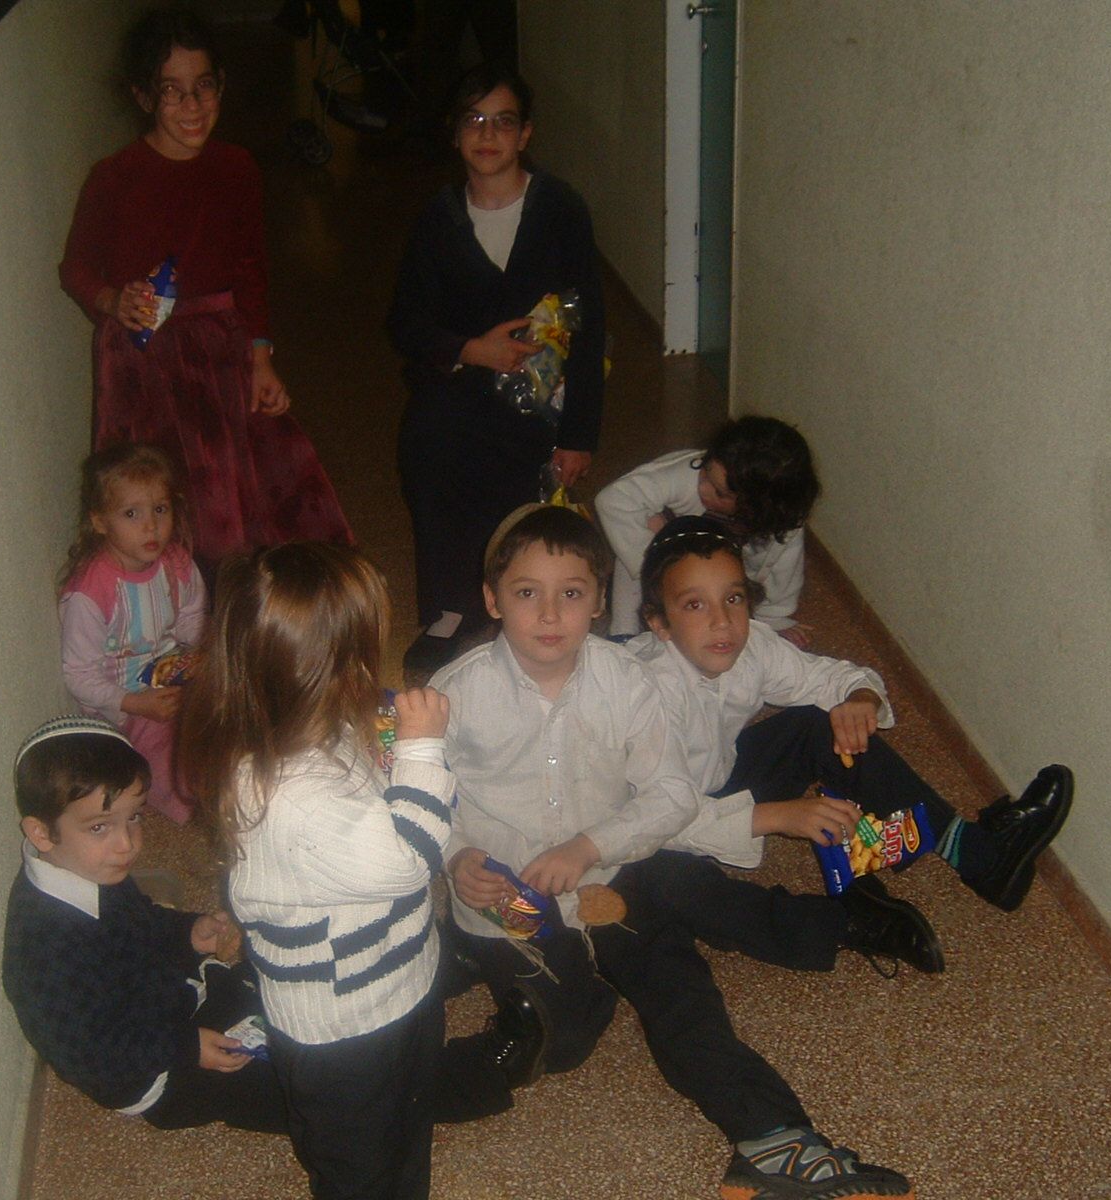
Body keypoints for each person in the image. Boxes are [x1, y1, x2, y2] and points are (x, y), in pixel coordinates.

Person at [431, 505, 916, 1199]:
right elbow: (417, 796)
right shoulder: (456, 693)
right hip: (506, 900)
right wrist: (455, 858)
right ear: (492, 599)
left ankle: (773, 1139)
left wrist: (590, 844)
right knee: (562, 1039)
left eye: (572, 593)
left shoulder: (627, 680)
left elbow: (669, 795)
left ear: (600, 600)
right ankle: (399, 1077)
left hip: (613, 873)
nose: (550, 614)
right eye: (527, 592)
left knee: (682, 992)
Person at [178, 542, 546, 1199]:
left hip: (396, 983)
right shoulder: (292, 795)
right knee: (359, 1166)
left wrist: (387, 751)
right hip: (344, 1029)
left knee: (407, 1125)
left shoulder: (309, 732)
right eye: (362, 652)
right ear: (329, 671)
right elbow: (410, 857)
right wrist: (422, 749)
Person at [634, 514, 1074, 915]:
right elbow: (657, 820)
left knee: (819, 723)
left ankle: (977, 855)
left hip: (714, 779)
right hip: (651, 828)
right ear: (658, 623)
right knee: (675, 894)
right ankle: (857, 917)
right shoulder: (644, 696)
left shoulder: (752, 645)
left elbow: (833, 678)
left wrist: (861, 700)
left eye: (733, 598)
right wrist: (778, 816)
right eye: (695, 605)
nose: (722, 621)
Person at [59, 7, 351, 567]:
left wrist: (260, 357)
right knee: (155, 498)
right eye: (172, 91)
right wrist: (112, 300)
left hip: (218, 352)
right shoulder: (114, 178)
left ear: (221, 86)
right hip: (142, 361)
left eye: (204, 87)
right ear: (144, 96)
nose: (192, 106)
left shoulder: (237, 168)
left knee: (235, 498)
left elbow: (250, 269)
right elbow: (75, 268)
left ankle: (244, 602)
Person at [388, 63, 605, 676]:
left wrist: (579, 434)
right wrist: (470, 350)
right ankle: (448, 607)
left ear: (525, 133)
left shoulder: (559, 209)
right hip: (460, 385)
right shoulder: (439, 220)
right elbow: (405, 322)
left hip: (539, 395)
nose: (488, 135)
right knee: (429, 448)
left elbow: (590, 325)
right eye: (474, 121)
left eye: (503, 122)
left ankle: (516, 607)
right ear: (455, 133)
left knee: (516, 492)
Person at [1, 716, 285, 1132]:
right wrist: (186, 1047)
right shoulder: (43, 948)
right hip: (159, 1072)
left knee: (284, 986)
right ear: (41, 833)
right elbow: (92, 1052)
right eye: (99, 827)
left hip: (177, 998)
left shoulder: (90, 868)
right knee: (293, 1092)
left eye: (134, 817)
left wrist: (187, 933)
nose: (127, 843)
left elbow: (140, 920)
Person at [59, 443, 204, 825]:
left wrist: (206, 653)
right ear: (100, 522)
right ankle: (193, 801)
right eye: (131, 513)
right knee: (163, 755)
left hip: (173, 672)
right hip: (124, 702)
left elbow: (191, 618)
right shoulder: (91, 592)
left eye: (160, 509)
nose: (151, 526)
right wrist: (136, 704)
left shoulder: (176, 563)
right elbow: (79, 675)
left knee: (230, 708)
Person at [596, 415, 819, 642]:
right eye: (705, 471)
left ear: (755, 507)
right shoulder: (683, 474)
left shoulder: (782, 525)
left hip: (719, 568)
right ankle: (623, 630)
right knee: (633, 541)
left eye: (720, 493)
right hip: (669, 556)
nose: (703, 488)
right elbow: (613, 500)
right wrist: (655, 562)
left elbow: (783, 573)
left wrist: (774, 618)